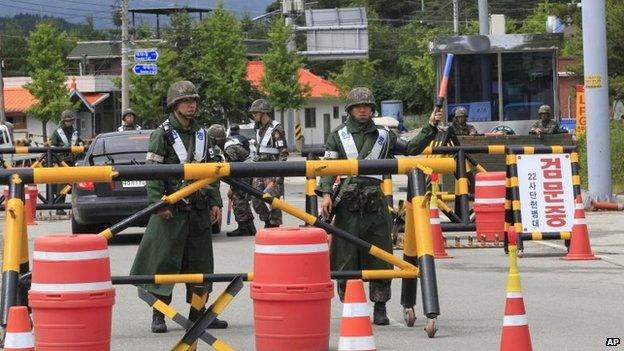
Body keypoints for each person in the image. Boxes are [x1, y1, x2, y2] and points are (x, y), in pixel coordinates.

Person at [316, 87, 442, 326]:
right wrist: (325, 194)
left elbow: (412, 148)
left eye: (366, 106)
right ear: (350, 110)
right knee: (346, 256)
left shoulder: (385, 135)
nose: (362, 110)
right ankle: (352, 306)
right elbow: (327, 167)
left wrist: (430, 127)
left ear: (372, 109)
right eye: (358, 106)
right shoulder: (337, 135)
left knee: (381, 255)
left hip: (375, 203)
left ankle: (380, 307)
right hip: (347, 205)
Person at [129, 81, 227, 333]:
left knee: (201, 263)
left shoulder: (202, 133)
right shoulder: (160, 134)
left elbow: (211, 171)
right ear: (174, 105)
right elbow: (152, 172)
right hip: (170, 209)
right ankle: (159, 314)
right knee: (164, 262)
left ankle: (198, 313)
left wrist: (215, 201)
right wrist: (156, 204)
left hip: (198, 209)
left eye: (194, 100)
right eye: (186, 101)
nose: (192, 104)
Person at [207, 124, 256, 237]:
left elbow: (232, 170)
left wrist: (231, 187)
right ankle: (250, 227)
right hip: (247, 170)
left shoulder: (229, 148)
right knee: (242, 199)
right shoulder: (230, 143)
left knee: (238, 198)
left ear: (216, 140)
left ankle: (244, 227)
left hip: (244, 172)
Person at [249, 99, 288, 228]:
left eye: (256, 113)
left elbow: (283, 152)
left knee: (273, 200)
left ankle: (274, 224)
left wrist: (278, 173)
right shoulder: (259, 129)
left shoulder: (276, 129)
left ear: (263, 113)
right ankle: (266, 220)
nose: (253, 115)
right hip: (260, 168)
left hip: (273, 168)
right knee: (256, 198)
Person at [50, 109, 83, 215]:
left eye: (71, 120)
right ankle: (59, 207)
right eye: (67, 120)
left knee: (76, 184)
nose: (69, 122)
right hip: (61, 162)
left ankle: (77, 207)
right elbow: (52, 146)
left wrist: (81, 145)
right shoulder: (57, 133)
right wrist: (61, 147)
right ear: (63, 121)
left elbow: (78, 143)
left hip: (73, 161)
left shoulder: (75, 132)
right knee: (61, 185)